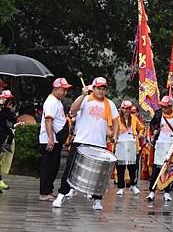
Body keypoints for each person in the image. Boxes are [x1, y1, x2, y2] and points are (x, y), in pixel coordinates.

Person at [53, 77, 119, 210]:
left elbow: (116, 121)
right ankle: (61, 195)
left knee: (99, 174)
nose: (101, 91)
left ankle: (97, 200)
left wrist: (115, 136)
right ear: (93, 88)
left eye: (103, 89)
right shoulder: (85, 99)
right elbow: (73, 110)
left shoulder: (110, 104)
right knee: (70, 169)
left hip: (99, 143)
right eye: (98, 88)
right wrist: (83, 95)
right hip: (81, 141)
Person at [39, 78, 72, 201]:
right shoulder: (51, 102)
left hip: (56, 140)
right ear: (56, 89)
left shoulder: (56, 101)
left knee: (54, 166)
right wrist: (50, 139)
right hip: (49, 140)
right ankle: (44, 193)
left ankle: (48, 190)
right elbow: (49, 121)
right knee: (48, 167)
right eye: (64, 90)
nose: (65, 93)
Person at [147, 95, 173, 202]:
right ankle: (152, 191)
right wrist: (155, 130)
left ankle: (167, 192)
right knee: (156, 168)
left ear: (171, 106)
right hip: (160, 144)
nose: (164, 109)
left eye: (166, 107)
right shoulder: (158, 114)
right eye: (162, 106)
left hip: (171, 145)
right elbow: (152, 124)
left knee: (168, 168)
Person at [115, 100, 145, 196]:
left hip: (132, 143)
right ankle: (120, 187)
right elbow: (112, 129)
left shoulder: (134, 117)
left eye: (129, 108)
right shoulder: (117, 119)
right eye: (126, 108)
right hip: (120, 143)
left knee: (132, 166)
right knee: (120, 167)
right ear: (122, 109)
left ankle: (133, 185)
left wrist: (140, 134)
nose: (128, 110)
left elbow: (141, 128)